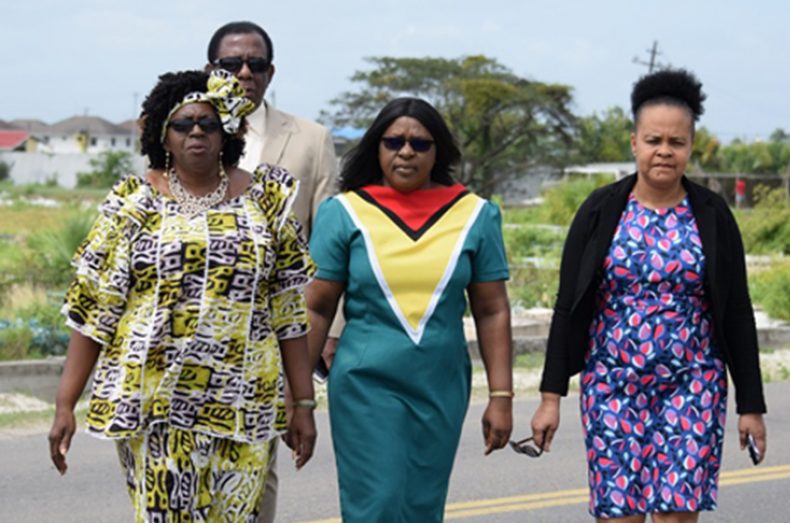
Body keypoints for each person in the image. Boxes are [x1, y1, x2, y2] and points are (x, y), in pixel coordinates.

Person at [47, 69, 317, 522]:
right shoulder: (133, 204)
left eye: (208, 123)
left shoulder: (265, 201)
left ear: (226, 132)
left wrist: (303, 403)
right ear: (162, 134)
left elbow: (288, 312)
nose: (197, 132)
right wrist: (64, 404)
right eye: (183, 123)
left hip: (245, 401)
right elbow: (95, 310)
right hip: (155, 401)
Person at [530, 69, 767, 523]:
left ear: (690, 147)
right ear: (634, 142)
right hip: (612, 386)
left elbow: (737, 311)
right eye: (654, 139)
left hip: (693, 386)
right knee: (619, 514)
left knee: (676, 514)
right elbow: (568, 305)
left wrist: (751, 405)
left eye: (676, 142)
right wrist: (550, 396)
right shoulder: (599, 210)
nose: (664, 151)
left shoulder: (713, 214)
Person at [304, 97, 514, 522]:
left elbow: (492, 310)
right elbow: (317, 306)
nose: (405, 152)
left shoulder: (475, 215)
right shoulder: (344, 212)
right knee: (376, 506)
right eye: (394, 141)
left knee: (421, 507)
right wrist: (299, 398)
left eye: (420, 144)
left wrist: (502, 396)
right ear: (376, 148)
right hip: (366, 385)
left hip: (441, 383)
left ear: (438, 152)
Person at [205, 22, 341, 522]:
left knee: (257, 461)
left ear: (270, 72)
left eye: (255, 64)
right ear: (210, 71)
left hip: (273, 330)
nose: (244, 73)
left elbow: (331, 242)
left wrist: (330, 332)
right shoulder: (185, 131)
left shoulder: (310, 139)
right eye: (231, 64)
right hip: (190, 333)